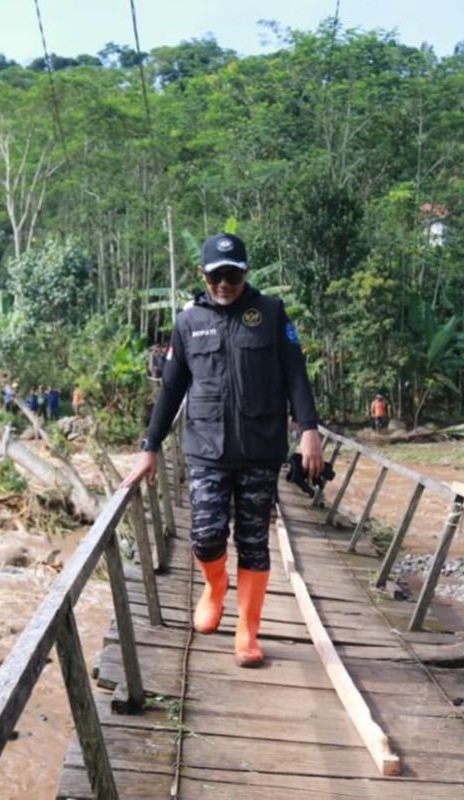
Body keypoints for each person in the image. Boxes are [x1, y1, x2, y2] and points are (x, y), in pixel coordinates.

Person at [123, 232, 323, 668]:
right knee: (206, 534)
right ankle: (215, 588)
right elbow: (172, 388)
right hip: (206, 448)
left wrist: (309, 429)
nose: (224, 285)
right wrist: (149, 446)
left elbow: (295, 373)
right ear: (203, 275)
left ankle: (247, 632)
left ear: (246, 273)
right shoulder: (189, 322)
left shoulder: (270, 314)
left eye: (232, 276)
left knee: (253, 541)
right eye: (216, 277)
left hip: (260, 448)